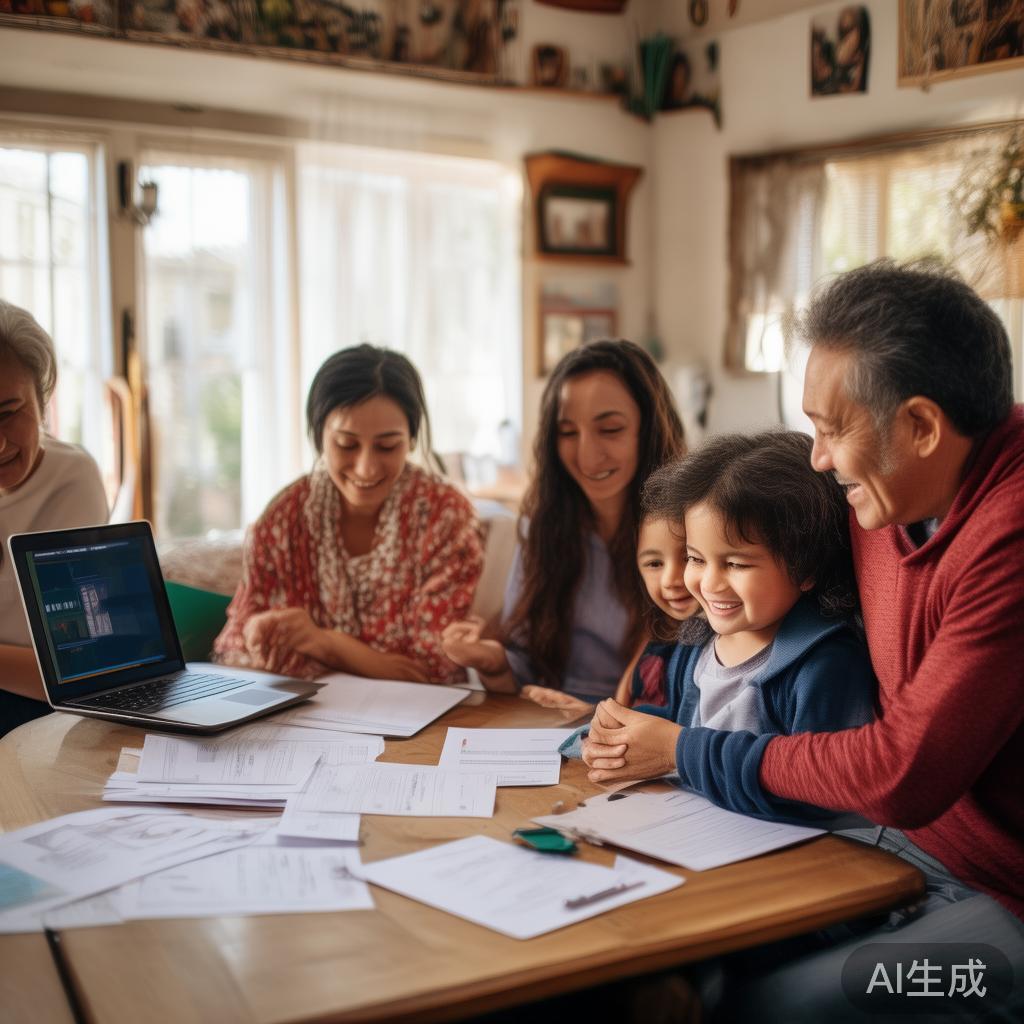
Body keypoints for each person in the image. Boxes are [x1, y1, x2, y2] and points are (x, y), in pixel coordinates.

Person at [585, 261, 1024, 1020]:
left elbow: (902, 774)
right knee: (679, 961)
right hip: (896, 847)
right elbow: (746, 540)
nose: (818, 457)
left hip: (1005, 891)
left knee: (782, 1004)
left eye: (830, 430)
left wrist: (680, 748)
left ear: (920, 425)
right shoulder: (881, 488)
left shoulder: (1008, 534)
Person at [569, 431, 876, 828]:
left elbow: (819, 791)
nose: (708, 583)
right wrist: (616, 739)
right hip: (699, 834)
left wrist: (676, 751)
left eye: (736, 564)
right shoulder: (696, 642)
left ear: (807, 568)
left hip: (804, 857)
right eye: (696, 558)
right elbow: (682, 727)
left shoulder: (827, 663)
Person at [213, 344, 483, 684]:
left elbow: (432, 671)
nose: (366, 468)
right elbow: (235, 649)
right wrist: (254, 632)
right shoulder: (284, 518)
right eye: (346, 444)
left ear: (412, 440)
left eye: (387, 446)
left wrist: (323, 641)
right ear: (319, 436)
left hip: (418, 721)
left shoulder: (446, 517)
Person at [441, 340, 685, 708]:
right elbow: (523, 673)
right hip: (545, 724)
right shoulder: (541, 527)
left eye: (610, 429)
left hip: (640, 734)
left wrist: (600, 717)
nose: (586, 454)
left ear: (648, 429)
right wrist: (490, 661)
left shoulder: (688, 531)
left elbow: (695, 689)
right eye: (568, 433)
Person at [0, 300, 108, 735]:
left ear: (42, 401)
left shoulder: (71, 479)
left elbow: (77, 669)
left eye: (8, 413)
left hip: (38, 707)